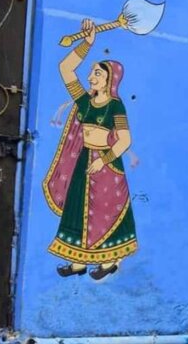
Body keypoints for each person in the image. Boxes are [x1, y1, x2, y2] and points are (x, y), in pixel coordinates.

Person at [42, 19, 137, 280]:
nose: (90, 76)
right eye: (92, 72)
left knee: (107, 211)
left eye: (97, 73)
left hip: (107, 165)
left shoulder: (116, 107)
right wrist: (87, 43)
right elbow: (65, 68)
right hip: (84, 160)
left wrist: (104, 160)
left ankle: (111, 259)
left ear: (109, 80)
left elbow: (125, 140)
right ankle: (77, 262)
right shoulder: (84, 102)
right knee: (77, 208)